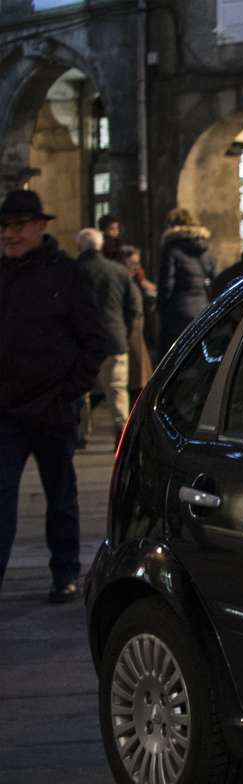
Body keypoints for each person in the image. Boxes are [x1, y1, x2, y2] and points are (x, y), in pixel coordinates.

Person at [0, 190, 105, 602]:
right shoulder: (3, 274)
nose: (10, 234)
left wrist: (67, 392)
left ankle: (65, 572)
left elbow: (93, 341)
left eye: (18, 226)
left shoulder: (67, 274)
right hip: (6, 410)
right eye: (5, 227)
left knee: (60, 494)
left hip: (52, 406)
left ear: (40, 227)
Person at [73, 228, 140, 443]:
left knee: (81, 390)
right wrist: (124, 329)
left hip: (80, 340)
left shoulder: (73, 271)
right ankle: (120, 429)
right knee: (117, 389)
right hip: (114, 337)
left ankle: (80, 432)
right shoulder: (118, 272)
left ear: (80, 247)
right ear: (101, 246)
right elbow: (133, 306)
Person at [156, 207, 214, 359]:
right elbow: (211, 280)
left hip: (177, 313)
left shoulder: (171, 249)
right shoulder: (205, 250)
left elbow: (167, 284)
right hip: (202, 310)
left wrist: (160, 307)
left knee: (175, 359)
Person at [120, 247, 157, 394]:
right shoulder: (124, 280)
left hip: (140, 332)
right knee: (136, 375)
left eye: (137, 264)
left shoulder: (137, 281)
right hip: (131, 331)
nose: (135, 267)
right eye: (131, 263)